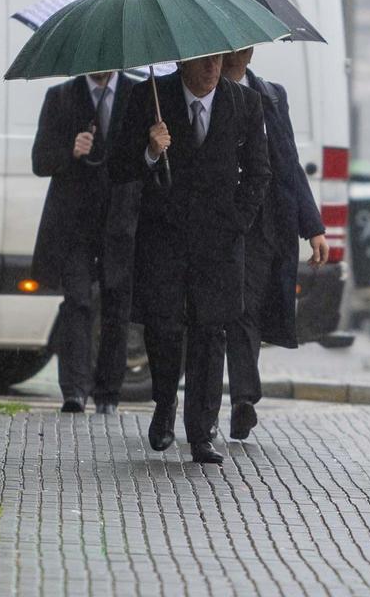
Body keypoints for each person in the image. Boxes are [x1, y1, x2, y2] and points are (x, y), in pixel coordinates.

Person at [109, 53, 270, 464]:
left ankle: (202, 431)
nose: (211, 68)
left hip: (219, 241)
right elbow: (118, 167)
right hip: (164, 236)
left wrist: (238, 220)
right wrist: (149, 149)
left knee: (210, 331)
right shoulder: (149, 97)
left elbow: (259, 172)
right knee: (163, 328)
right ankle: (165, 406)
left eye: (217, 60)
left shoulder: (244, 103)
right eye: (203, 61)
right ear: (183, 62)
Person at [221, 47, 329, 441]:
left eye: (244, 46)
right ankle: (243, 398)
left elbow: (289, 162)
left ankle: (243, 395)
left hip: (271, 223)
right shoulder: (208, 93)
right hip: (230, 221)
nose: (238, 53)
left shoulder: (272, 94)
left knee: (257, 305)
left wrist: (313, 226)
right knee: (242, 307)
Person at [30, 70, 142, 414]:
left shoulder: (138, 94)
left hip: (121, 220)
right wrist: (71, 150)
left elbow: (147, 162)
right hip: (75, 224)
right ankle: (75, 390)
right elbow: (40, 161)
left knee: (116, 306)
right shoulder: (60, 96)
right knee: (77, 301)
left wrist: (153, 146)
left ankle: (108, 393)